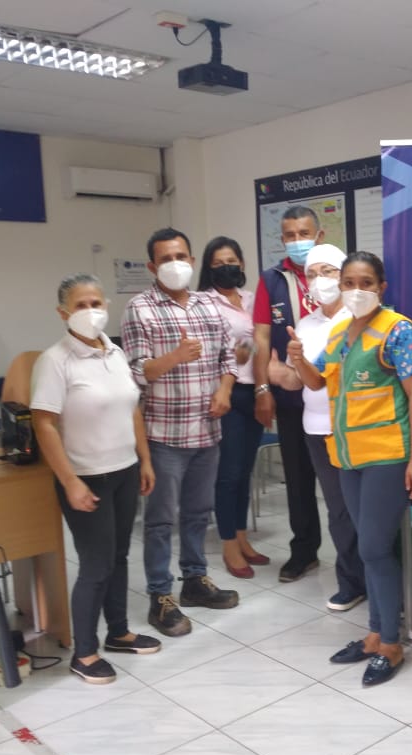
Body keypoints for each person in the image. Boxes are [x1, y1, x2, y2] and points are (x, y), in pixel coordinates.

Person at [288, 251, 412, 686]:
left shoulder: (398, 330)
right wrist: (298, 358)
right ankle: (374, 635)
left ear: (381, 287)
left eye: (365, 283)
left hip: (388, 456)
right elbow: (317, 382)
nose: (355, 290)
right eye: (348, 282)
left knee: (374, 548)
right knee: (366, 547)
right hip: (347, 457)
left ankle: (391, 643)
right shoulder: (340, 331)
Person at [31, 273, 160, 684]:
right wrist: (70, 481)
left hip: (124, 470)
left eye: (96, 304)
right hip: (87, 477)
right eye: (81, 305)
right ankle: (84, 652)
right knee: (96, 564)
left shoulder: (115, 352)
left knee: (119, 557)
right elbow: (44, 424)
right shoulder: (55, 361)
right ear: (63, 313)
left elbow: (132, 409)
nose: (91, 312)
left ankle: (118, 632)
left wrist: (144, 460)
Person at [121, 227, 240, 639]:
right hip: (164, 434)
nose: (175, 264)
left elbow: (228, 357)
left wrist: (225, 390)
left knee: (198, 513)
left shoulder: (209, 304)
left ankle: (194, 580)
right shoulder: (140, 309)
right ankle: (160, 595)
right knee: (159, 521)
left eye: (181, 257)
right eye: (165, 259)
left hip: (207, 430)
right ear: (152, 266)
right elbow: (136, 372)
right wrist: (175, 356)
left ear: (192, 261)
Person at [286, 244, 365, 611]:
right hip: (315, 427)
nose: (319, 280)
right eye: (311, 274)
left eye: (327, 271)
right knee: (338, 509)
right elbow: (306, 380)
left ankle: (375, 580)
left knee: (361, 509)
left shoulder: (357, 318)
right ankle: (351, 582)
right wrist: (289, 366)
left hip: (353, 427)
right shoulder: (306, 324)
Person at [253, 205, 325, 583]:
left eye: (304, 233)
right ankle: (304, 551)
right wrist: (263, 387)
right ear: (282, 239)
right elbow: (261, 337)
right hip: (291, 397)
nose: (298, 241)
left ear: (319, 235)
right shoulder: (272, 279)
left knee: (345, 481)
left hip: (335, 398)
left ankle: (358, 557)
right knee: (297, 479)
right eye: (290, 235)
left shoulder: (336, 273)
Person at [197, 236, 270, 578]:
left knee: (244, 471)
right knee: (228, 473)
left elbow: (260, 341)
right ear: (208, 268)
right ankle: (228, 543)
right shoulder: (203, 302)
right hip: (224, 392)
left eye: (232, 261)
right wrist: (232, 357)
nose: (226, 267)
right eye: (218, 263)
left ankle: (242, 537)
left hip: (254, 390)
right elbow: (203, 349)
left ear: (241, 263)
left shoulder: (253, 299)